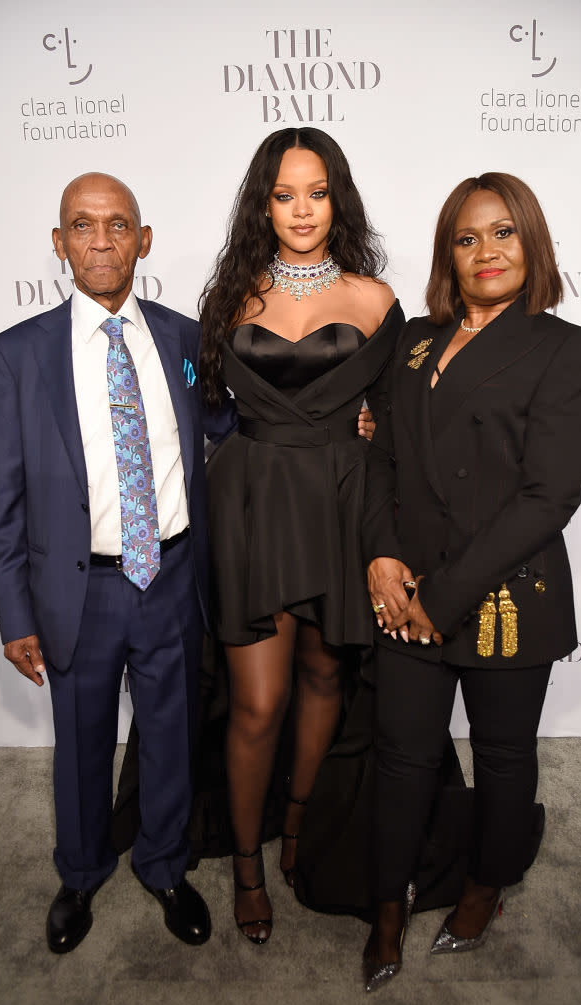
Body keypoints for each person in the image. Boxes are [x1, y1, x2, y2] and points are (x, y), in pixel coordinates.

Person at [0, 172, 235, 954]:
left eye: (117, 224)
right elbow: (3, 500)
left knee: (171, 736)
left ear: (143, 240)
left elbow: (231, 427)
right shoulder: (16, 355)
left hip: (170, 578)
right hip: (78, 589)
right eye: (81, 225)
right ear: (58, 244)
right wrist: (15, 613)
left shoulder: (185, 338)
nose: (100, 239)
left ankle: (163, 864)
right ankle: (82, 871)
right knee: (82, 742)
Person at [361, 172, 581, 991]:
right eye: (466, 239)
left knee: (502, 758)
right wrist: (382, 556)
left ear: (530, 242)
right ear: (447, 256)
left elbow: (549, 496)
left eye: (502, 233)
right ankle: (386, 905)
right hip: (407, 592)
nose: (485, 251)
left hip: (504, 594)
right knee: (401, 758)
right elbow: (383, 457)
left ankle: (483, 885)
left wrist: (441, 595)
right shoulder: (414, 342)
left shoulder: (567, 347)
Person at [198, 127, 403, 943]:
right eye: (284, 194)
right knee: (257, 702)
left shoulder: (375, 301)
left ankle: (299, 822)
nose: (301, 210)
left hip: (340, 503)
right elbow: (210, 409)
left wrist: (371, 423)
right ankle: (245, 864)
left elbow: (399, 417)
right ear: (263, 203)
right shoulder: (232, 296)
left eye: (315, 192)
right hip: (252, 502)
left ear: (336, 197)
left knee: (325, 675)